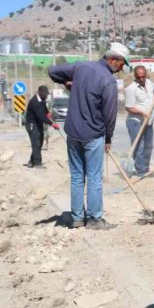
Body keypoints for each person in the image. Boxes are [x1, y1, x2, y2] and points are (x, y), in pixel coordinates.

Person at [48, 43, 129, 230]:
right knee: (93, 177)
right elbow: (110, 115)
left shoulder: (81, 67)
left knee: (77, 177)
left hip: (73, 132)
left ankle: (76, 218)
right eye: (122, 64)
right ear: (113, 59)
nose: (122, 68)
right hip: (93, 135)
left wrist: (68, 83)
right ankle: (94, 219)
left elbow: (52, 71)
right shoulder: (108, 81)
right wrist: (108, 138)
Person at [124, 66, 154, 176]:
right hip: (135, 121)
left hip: (148, 121)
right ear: (135, 76)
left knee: (148, 146)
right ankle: (140, 170)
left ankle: (145, 168)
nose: (141, 79)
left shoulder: (149, 83)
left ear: (146, 75)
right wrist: (142, 113)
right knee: (139, 146)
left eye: (143, 76)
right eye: (139, 77)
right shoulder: (131, 89)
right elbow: (129, 107)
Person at [24, 85, 59, 168]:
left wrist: (48, 114)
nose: (46, 95)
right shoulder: (34, 102)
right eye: (44, 94)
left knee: (39, 142)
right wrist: (52, 124)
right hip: (32, 125)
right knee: (36, 143)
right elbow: (41, 116)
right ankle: (37, 163)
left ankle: (31, 161)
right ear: (39, 92)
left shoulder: (42, 100)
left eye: (46, 94)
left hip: (38, 124)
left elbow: (44, 110)